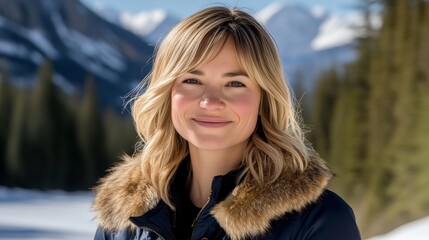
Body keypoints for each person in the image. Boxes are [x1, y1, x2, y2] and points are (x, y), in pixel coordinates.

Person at [93, 6, 361, 240]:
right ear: (167, 93)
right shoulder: (124, 217)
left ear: (264, 100)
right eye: (192, 81)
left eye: (235, 83)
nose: (210, 102)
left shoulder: (318, 220)